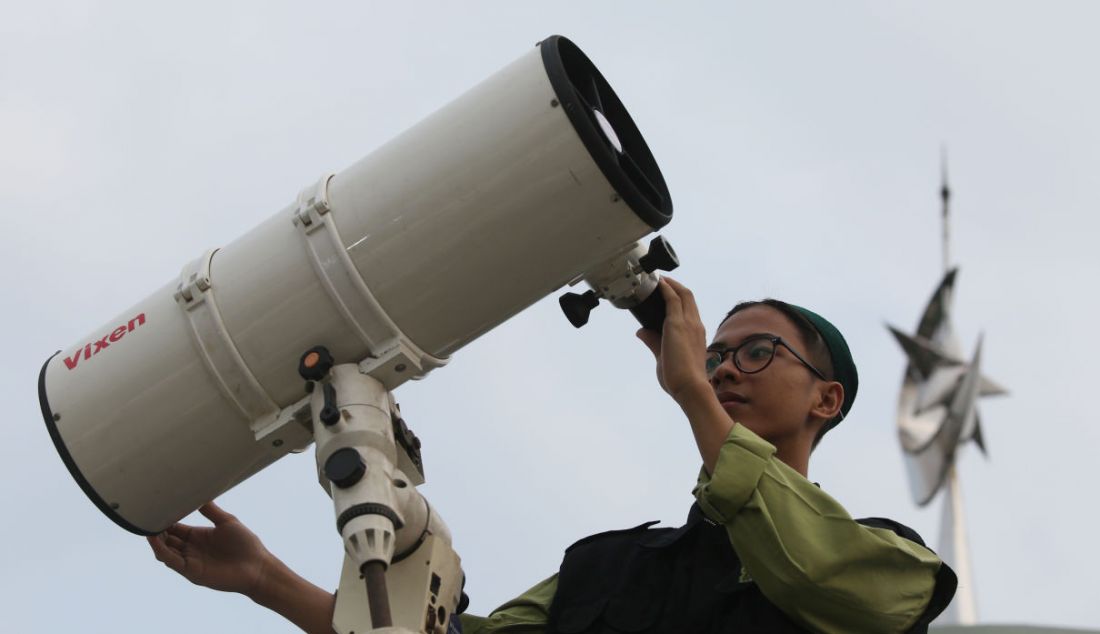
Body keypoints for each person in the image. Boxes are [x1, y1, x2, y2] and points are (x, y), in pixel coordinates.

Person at [149, 278, 956, 633]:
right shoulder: (610, 573)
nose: (722, 371)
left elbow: (808, 569)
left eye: (757, 355)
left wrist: (692, 395)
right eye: (714, 355)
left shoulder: (892, 569)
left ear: (827, 399)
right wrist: (263, 580)